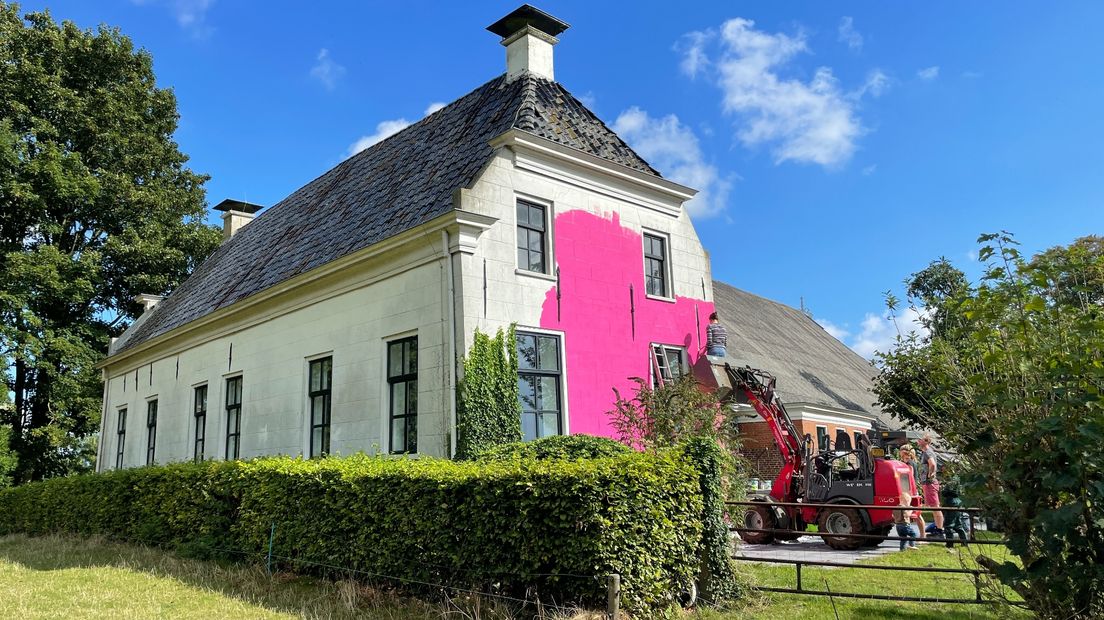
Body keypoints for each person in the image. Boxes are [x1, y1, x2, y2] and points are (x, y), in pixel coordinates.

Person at [897, 445, 927, 538]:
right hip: (906, 490)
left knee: (916, 514)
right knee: (908, 514)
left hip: (911, 490)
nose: (900, 452)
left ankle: (922, 535)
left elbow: (909, 477)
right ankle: (911, 536)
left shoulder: (910, 463)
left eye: (901, 450)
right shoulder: (903, 462)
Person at [917, 433, 944, 530]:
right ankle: (937, 526)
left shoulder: (928, 452)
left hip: (929, 483)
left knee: (935, 507)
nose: (918, 441)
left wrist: (930, 474)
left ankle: (939, 528)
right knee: (934, 507)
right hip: (928, 483)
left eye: (920, 440)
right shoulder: (926, 452)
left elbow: (932, 464)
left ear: (925, 441)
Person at [942, 485, 970, 550]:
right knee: (958, 525)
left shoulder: (949, 498)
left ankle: (950, 544)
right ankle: (964, 542)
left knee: (948, 526)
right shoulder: (958, 497)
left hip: (951, 507)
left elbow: (945, 494)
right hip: (957, 505)